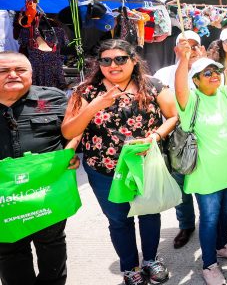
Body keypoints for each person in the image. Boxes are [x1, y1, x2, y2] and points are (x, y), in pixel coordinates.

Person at [62, 40, 178, 285]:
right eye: (106, 60)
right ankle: (129, 267)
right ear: (99, 63)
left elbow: (173, 116)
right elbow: (69, 129)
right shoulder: (86, 91)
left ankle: (150, 260)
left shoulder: (153, 86)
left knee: (148, 214)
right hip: (104, 169)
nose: (113, 65)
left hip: (145, 165)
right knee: (118, 220)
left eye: (120, 59)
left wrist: (155, 137)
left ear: (133, 60)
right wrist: (95, 106)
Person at [173, 39, 227, 285]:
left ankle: (222, 245)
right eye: (207, 73)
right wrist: (183, 60)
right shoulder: (190, 100)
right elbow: (179, 88)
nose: (214, 76)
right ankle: (209, 264)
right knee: (209, 217)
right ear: (196, 80)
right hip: (206, 173)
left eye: (217, 71)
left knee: (224, 213)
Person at [0, 52, 72, 285]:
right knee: (9, 252)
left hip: (47, 194)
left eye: (20, 70)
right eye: (3, 71)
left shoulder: (54, 98)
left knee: (52, 247)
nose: (12, 75)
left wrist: (69, 153)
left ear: (31, 73)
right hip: (5, 199)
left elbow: (74, 130)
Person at [152, 31, 204, 248]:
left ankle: (210, 222)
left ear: (201, 49)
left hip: (205, 137)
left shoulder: (210, 70)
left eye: (194, 45)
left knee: (205, 184)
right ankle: (186, 224)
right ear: (175, 48)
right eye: (184, 45)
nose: (189, 50)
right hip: (176, 138)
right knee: (180, 184)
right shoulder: (163, 74)